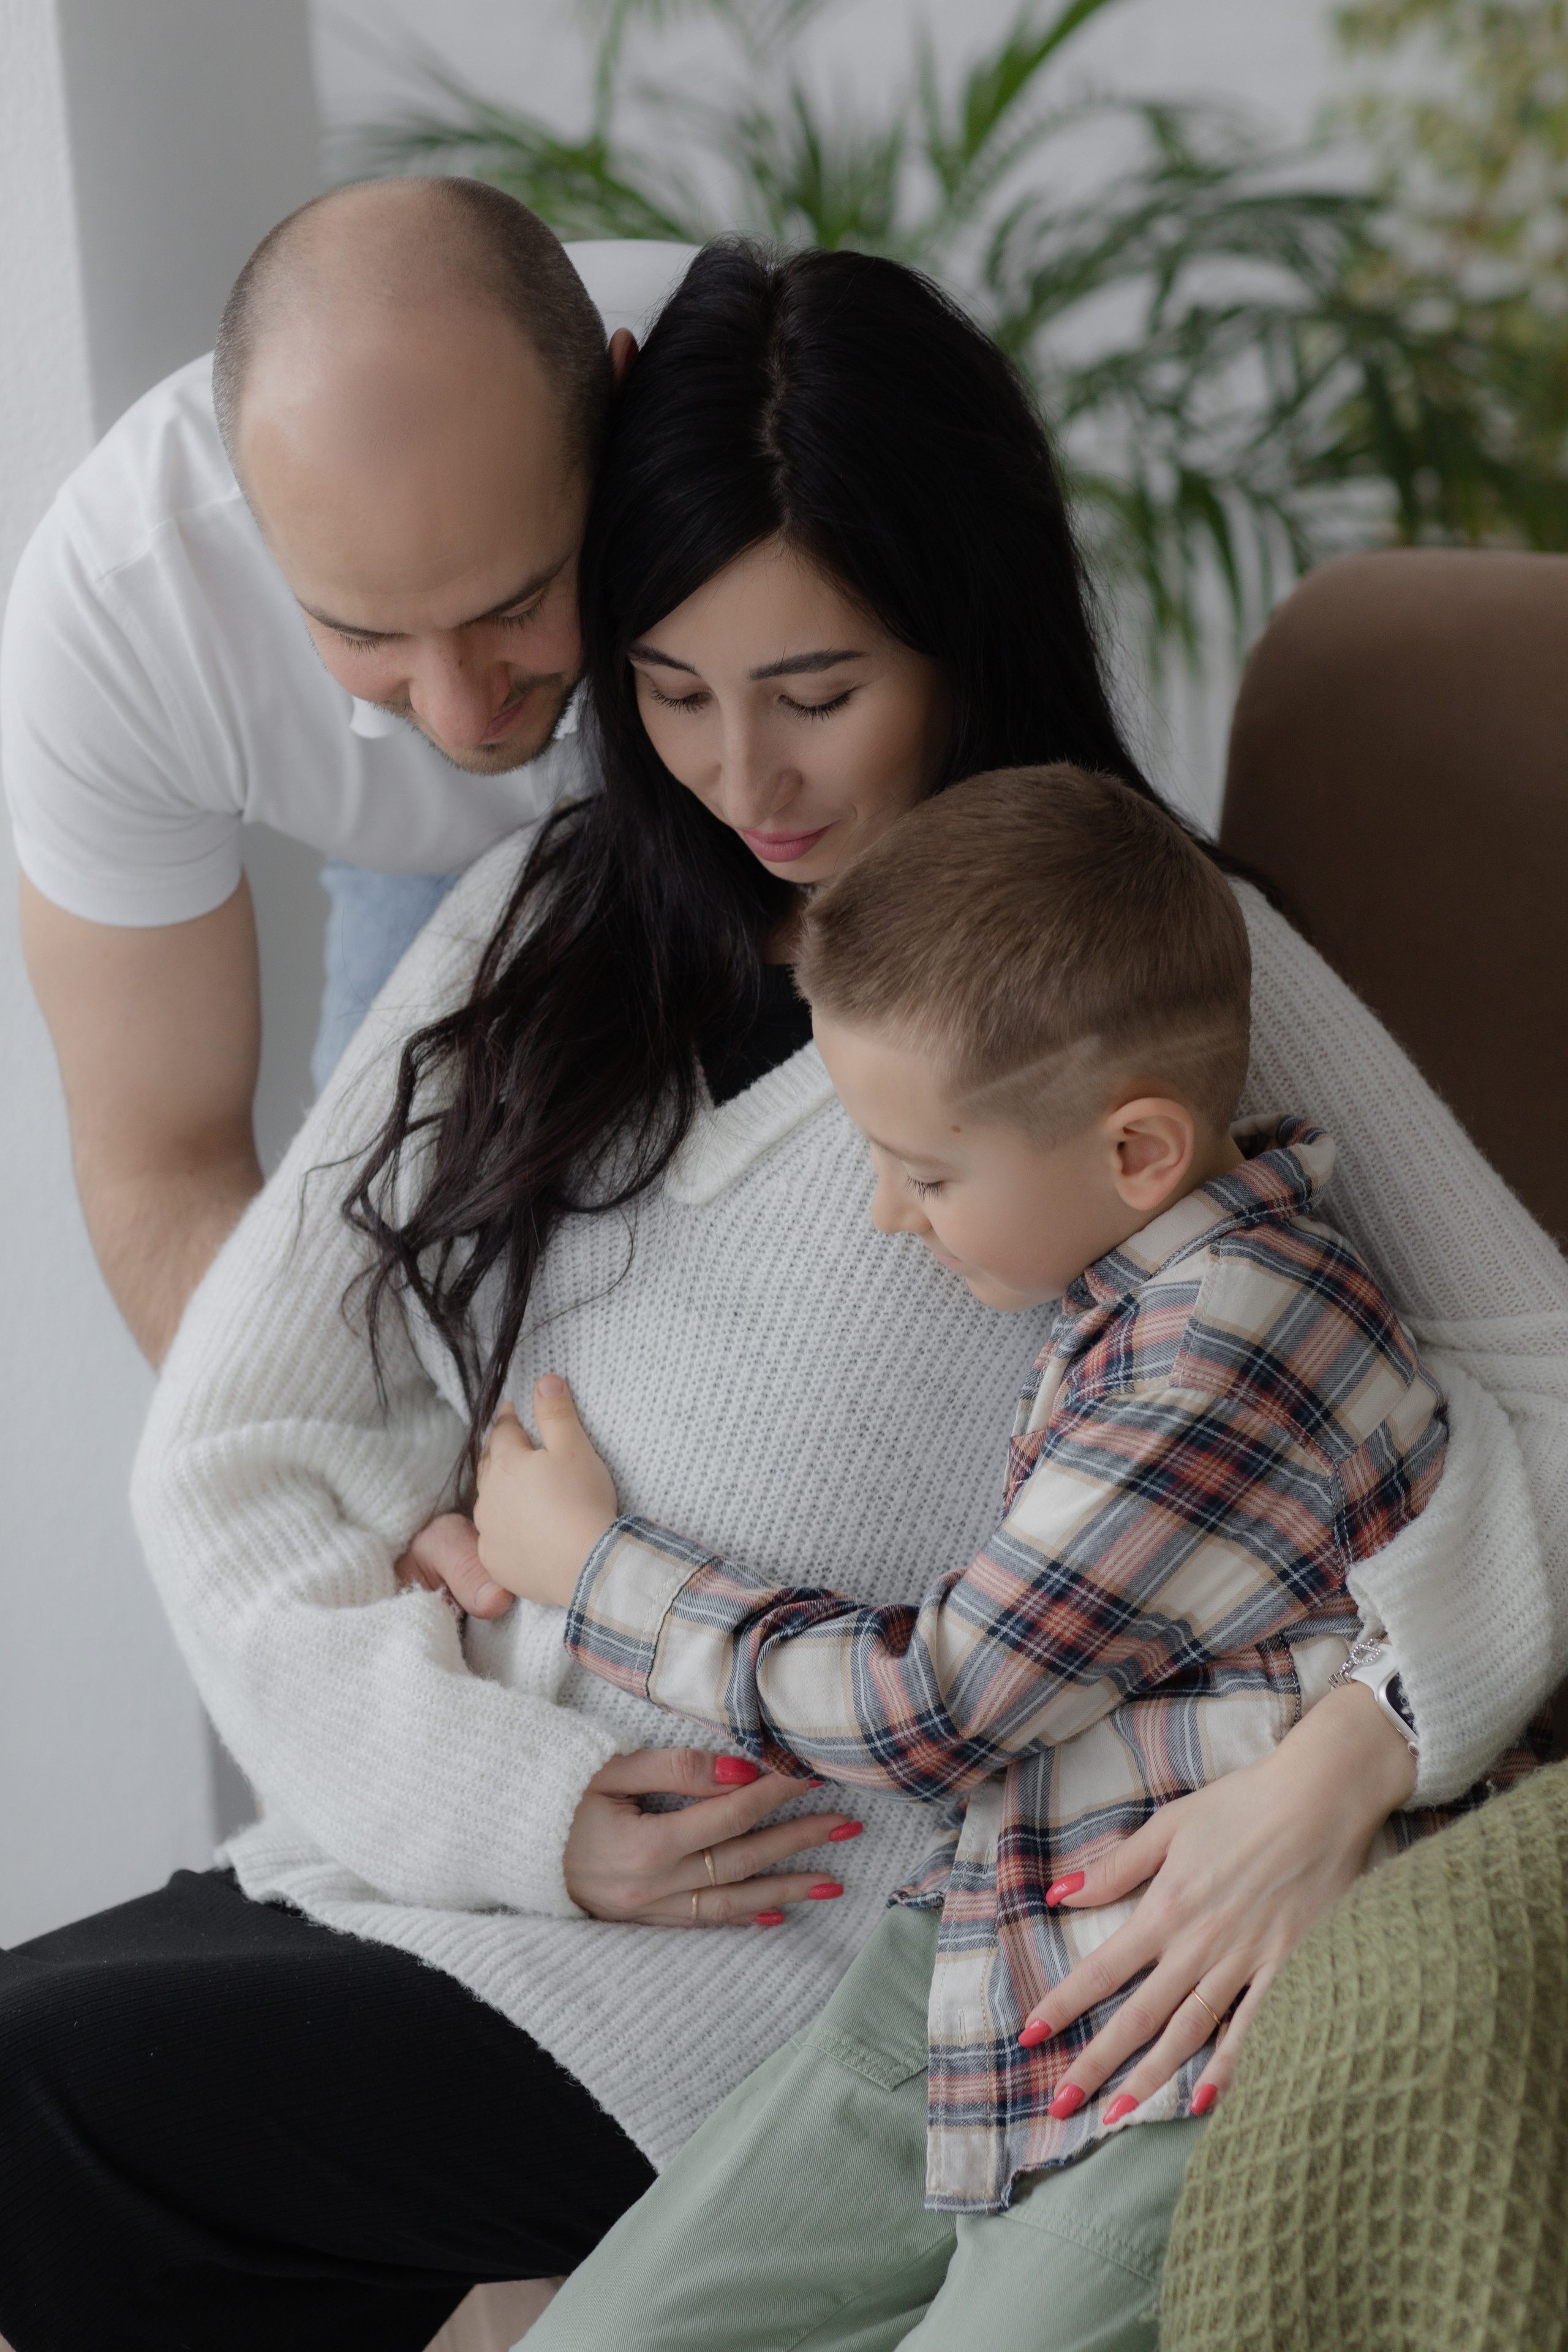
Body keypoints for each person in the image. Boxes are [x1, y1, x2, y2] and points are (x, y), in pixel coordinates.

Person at [2, 244, 1560, 2352]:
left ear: (959, 634)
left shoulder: (1147, 974)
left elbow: (1533, 1371)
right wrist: (507, 1808)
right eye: (667, 689)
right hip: (456, 1868)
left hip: (817, 1957)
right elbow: (242, 1450)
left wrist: (1376, 1738)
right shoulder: (546, 924)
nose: (750, 776)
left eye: (818, 693)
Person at [465, 762, 1502, 2349]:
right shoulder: (1136, 1305)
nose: (885, 1214)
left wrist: (597, 1570)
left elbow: (930, 1705)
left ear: (1139, 1152)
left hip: (1184, 2037)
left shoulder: (1221, 1354)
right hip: (982, 1969)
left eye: (926, 1172)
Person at [2, 175, 692, 1370]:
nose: (461, 710)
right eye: (367, 635)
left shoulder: (764, 425)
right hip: (407, 869)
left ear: (617, 415)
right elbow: (167, 1158)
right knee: (376, 1273)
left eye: (515, 601)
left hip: (740, 827)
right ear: (257, 533)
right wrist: (324, 1484)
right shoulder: (120, 614)